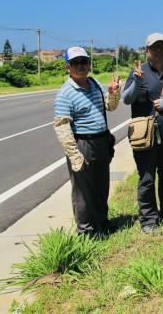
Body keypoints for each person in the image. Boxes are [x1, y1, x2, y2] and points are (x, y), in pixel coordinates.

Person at [122, 33, 163, 234]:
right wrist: (135, 82)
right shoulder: (138, 72)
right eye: (154, 48)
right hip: (144, 134)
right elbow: (126, 99)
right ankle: (149, 220)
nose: (159, 51)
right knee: (147, 177)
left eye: (162, 47)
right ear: (147, 51)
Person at [53, 46, 120, 237]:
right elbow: (62, 127)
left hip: (101, 142)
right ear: (68, 66)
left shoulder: (94, 83)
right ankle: (87, 231)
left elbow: (110, 106)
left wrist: (114, 93)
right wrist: (75, 155)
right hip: (83, 144)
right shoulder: (66, 93)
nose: (81, 66)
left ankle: (102, 222)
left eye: (84, 61)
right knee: (83, 191)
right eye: (75, 63)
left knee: (101, 185)